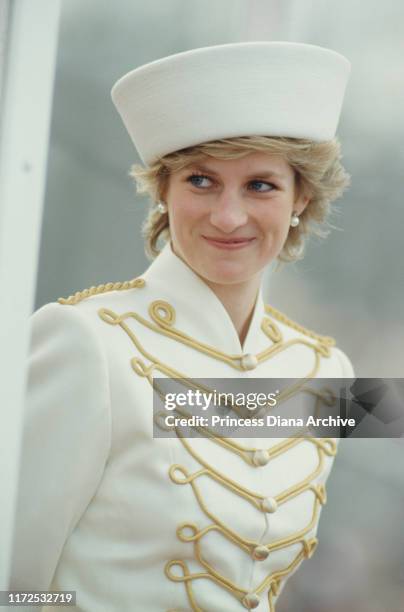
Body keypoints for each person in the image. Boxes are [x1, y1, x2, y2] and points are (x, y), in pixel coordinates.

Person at [10, 42, 354, 611]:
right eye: (200, 180)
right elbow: (10, 583)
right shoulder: (83, 340)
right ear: (162, 192)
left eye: (261, 185)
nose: (228, 216)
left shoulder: (327, 371)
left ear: (302, 198)